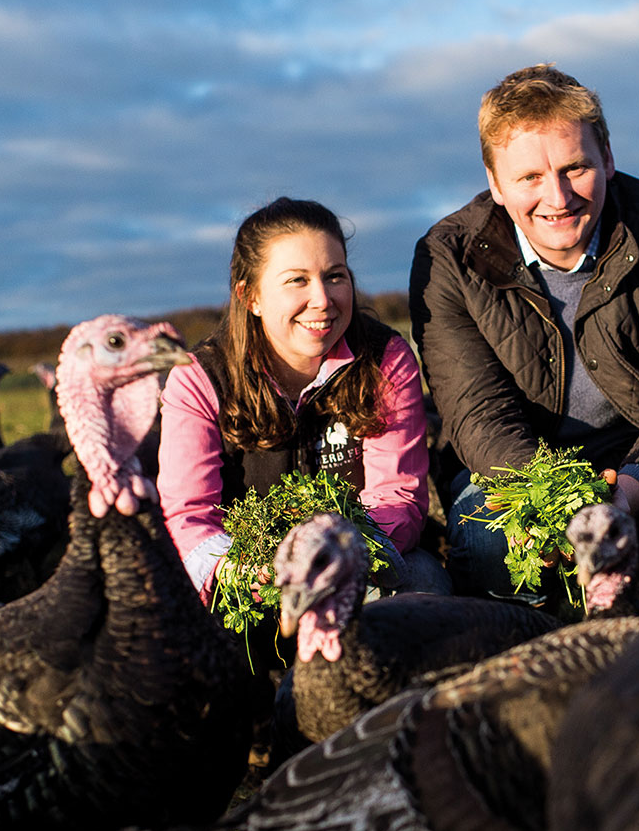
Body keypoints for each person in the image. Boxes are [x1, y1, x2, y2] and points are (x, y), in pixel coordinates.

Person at [409, 64, 639, 600]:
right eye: (529, 177)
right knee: (486, 540)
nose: (558, 197)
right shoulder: (447, 259)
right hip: (519, 468)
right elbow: (476, 413)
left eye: (576, 168)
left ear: (609, 159)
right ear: (495, 184)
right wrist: (561, 496)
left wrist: (636, 487)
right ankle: (537, 638)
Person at [158, 196, 450, 616]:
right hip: (250, 575)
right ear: (251, 296)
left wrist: (337, 557)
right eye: (297, 280)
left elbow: (397, 494)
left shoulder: (384, 357)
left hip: (356, 562)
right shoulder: (199, 378)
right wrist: (247, 570)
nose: (322, 299)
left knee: (422, 581)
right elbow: (190, 516)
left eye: (335, 276)